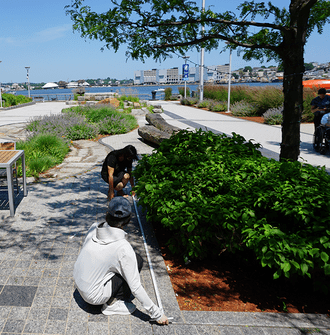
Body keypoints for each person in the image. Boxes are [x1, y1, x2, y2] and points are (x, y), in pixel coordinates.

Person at [73, 197, 169, 324]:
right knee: (137, 260)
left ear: (107, 215)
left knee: (127, 261)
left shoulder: (94, 227)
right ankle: (112, 305)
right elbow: (135, 287)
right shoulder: (122, 248)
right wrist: (157, 314)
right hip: (94, 297)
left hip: (80, 286)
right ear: (128, 220)